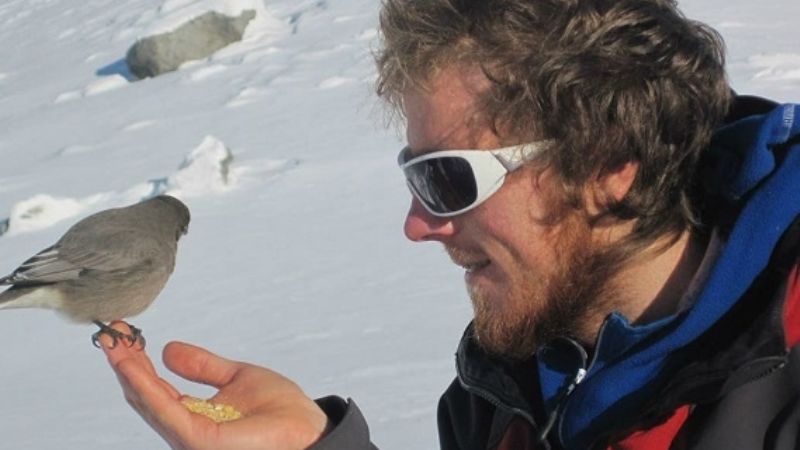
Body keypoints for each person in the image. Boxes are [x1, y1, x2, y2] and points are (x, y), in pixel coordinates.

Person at [101, 0, 800, 448]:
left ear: (610, 164)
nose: (417, 224)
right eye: (416, 176)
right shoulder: (502, 392)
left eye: (447, 177)